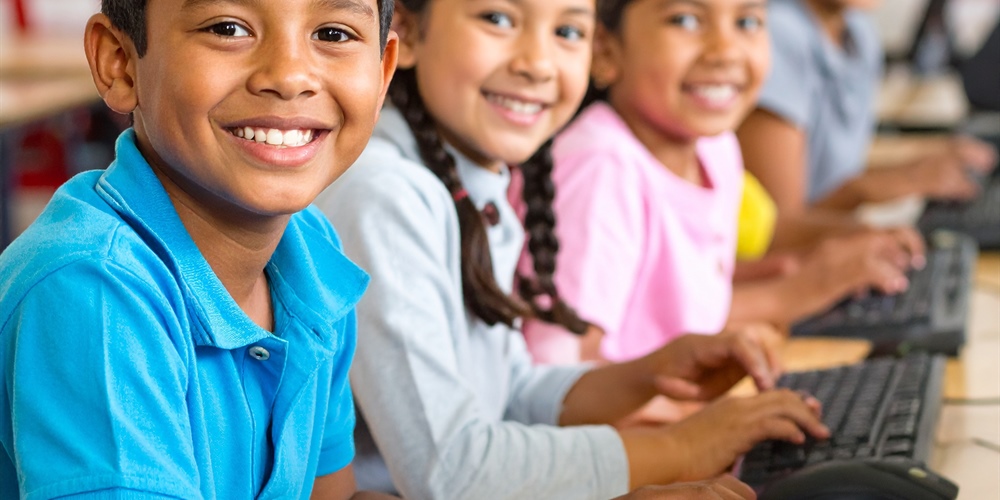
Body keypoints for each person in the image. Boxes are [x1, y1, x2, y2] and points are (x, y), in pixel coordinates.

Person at [315, 0, 829, 498]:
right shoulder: (383, 194)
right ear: (407, 29)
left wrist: (650, 373)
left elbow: (509, 393)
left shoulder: (470, 183)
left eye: (568, 31)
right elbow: (452, 470)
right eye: (498, 18)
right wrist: (680, 448)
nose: (537, 63)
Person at [0, 0, 398, 498]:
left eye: (334, 34)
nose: (290, 76)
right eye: (228, 28)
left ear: (383, 72)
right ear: (119, 62)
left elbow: (329, 492)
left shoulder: (310, 256)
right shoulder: (92, 292)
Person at [519, 0, 925, 366]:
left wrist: (784, 270)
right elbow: (562, 369)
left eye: (747, 21)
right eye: (685, 19)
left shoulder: (715, 149)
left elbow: (669, 305)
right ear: (605, 50)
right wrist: (797, 290)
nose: (725, 50)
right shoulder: (600, 169)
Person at [736, 0, 997, 216]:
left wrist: (923, 157)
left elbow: (840, 166)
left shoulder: (857, 29)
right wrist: (867, 188)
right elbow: (778, 229)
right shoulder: (776, 34)